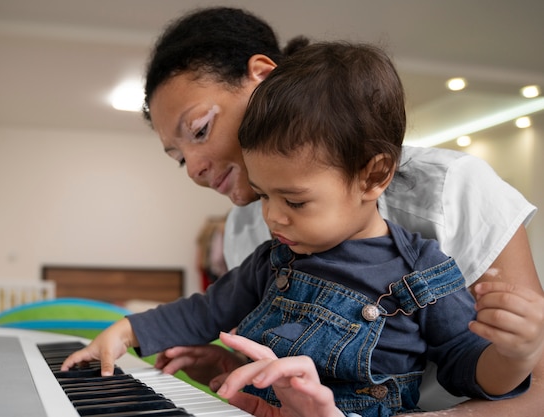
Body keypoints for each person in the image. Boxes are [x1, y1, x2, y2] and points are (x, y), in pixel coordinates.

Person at [63, 7, 544, 417]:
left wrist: (515, 353)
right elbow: (214, 310)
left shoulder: (436, 231)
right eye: (177, 158)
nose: (193, 169)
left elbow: (508, 381)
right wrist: (217, 362)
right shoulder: (258, 237)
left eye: (201, 129)